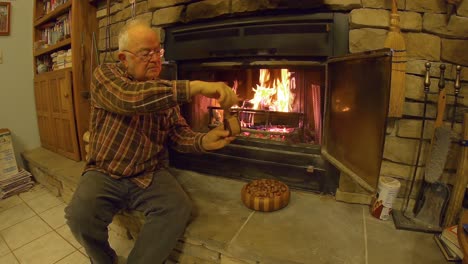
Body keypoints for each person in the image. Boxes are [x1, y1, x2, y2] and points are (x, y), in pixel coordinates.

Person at [65, 19, 239, 264]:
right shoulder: (105, 75)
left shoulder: (163, 92)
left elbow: (178, 135)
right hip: (106, 171)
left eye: (158, 51)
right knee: (79, 216)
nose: (155, 59)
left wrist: (203, 140)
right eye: (146, 53)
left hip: (149, 173)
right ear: (123, 58)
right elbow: (130, 99)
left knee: (177, 208)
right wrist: (197, 86)